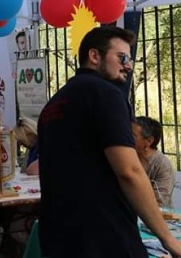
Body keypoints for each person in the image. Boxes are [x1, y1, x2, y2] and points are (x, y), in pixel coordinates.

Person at [37, 26, 181, 257]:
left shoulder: (54, 103)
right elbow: (130, 171)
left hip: (57, 235)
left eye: (130, 59)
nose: (128, 65)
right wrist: (167, 238)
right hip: (103, 236)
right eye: (121, 57)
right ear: (95, 56)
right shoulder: (105, 93)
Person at [132, 116, 175, 208]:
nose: (126, 137)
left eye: (132, 135)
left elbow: (160, 204)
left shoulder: (162, 165)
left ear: (149, 141)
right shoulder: (126, 156)